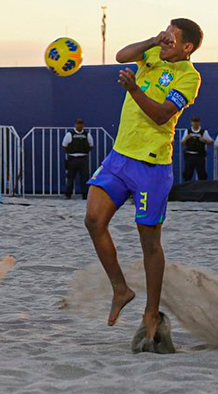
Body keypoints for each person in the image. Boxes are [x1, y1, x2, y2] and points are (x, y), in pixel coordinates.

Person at [85, 18, 203, 353]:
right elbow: (122, 55)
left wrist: (134, 89)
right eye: (166, 31)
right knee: (93, 220)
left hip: (152, 166)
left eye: (173, 36)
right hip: (119, 156)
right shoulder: (152, 53)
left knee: (149, 242)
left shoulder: (188, 76)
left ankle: (151, 313)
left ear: (188, 47)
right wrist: (153, 39)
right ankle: (120, 289)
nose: (167, 38)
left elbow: (163, 115)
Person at [62, 118, 93, 200]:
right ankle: (68, 194)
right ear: (75, 124)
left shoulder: (87, 135)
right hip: (72, 158)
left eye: (81, 124)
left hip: (83, 158)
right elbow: (64, 145)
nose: (79, 125)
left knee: (85, 177)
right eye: (78, 123)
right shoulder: (70, 134)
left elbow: (91, 145)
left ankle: (85, 194)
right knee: (70, 177)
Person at [180, 116, 213, 181]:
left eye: (196, 122)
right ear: (191, 123)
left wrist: (204, 141)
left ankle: (202, 188)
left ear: (199, 123)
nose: (195, 124)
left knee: (201, 173)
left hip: (200, 156)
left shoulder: (203, 132)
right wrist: (186, 138)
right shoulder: (188, 131)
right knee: (188, 173)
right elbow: (182, 143)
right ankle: (187, 188)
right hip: (190, 156)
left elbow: (211, 141)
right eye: (194, 122)